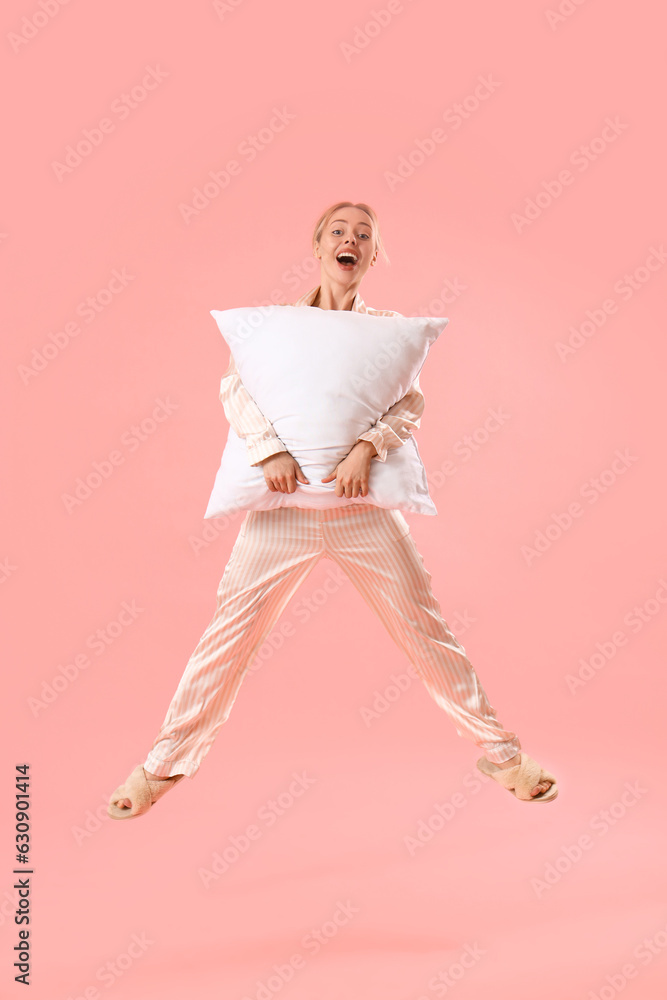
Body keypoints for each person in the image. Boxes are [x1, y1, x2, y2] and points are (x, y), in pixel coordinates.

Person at [108, 201, 558, 819]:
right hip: (282, 514)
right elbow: (236, 390)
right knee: (226, 637)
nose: (352, 241)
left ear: (375, 256)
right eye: (339, 232)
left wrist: (367, 449)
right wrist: (269, 453)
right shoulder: (277, 330)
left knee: (425, 630)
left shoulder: (386, 331)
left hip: (361, 511)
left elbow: (410, 405)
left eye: (364, 235)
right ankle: (162, 766)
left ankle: (504, 757)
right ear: (317, 247)